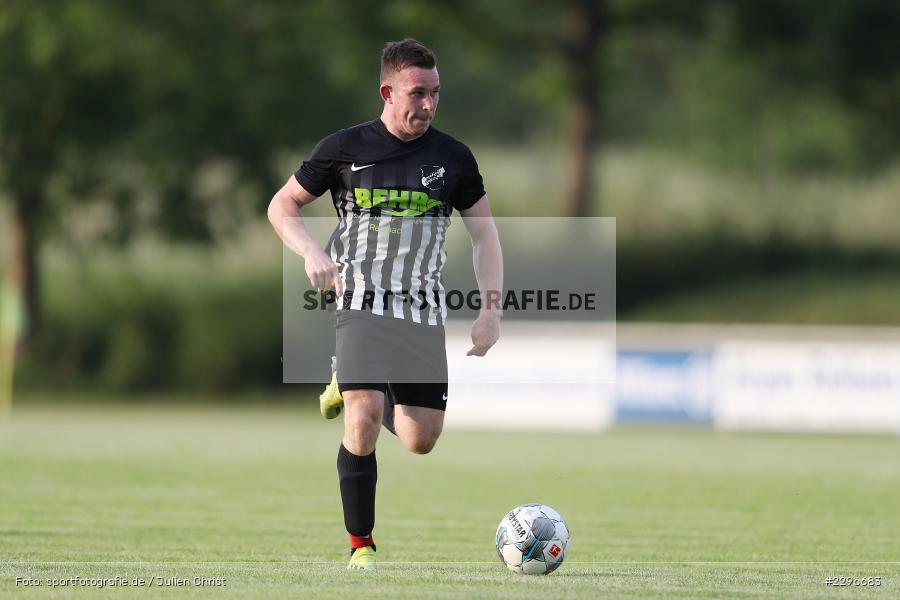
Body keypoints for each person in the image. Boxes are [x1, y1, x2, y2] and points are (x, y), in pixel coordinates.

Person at [267, 38, 503, 571]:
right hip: (360, 303)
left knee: (420, 439)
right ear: (387, 91)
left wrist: (491, 310)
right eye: (417, 93)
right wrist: (309, 252)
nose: (428, 104)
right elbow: (281, 204)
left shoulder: (453, 158)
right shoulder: (344, 149)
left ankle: (347, 382)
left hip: (421, 311)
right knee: (365, 413)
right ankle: (361, 546)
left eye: (435, 93)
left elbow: (486, 236)